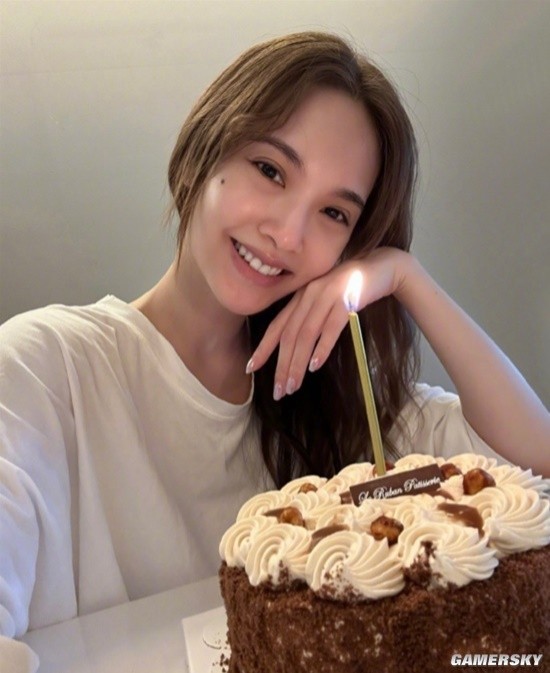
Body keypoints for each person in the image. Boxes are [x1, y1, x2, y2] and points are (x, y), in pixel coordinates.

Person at [1, 31, 548, 672]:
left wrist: (405, 276)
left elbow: (531, 460)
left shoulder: (334, 400)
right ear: (205, 146)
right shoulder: (43, 371)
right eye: (270, 171)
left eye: (334, 214)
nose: (287, 234)